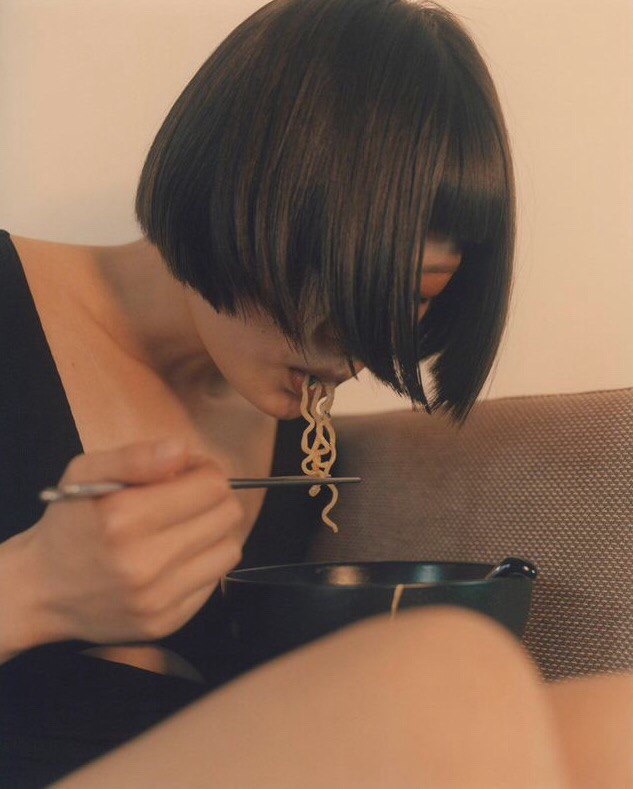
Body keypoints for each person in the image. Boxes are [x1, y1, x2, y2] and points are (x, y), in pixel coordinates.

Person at [0, 0, 630, 786]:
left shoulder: (297, 439)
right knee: (447, 665)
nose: (363, 352)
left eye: (414, 300)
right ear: (244, 189)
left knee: (617, 723)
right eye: (345, 285)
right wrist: (35, 587)